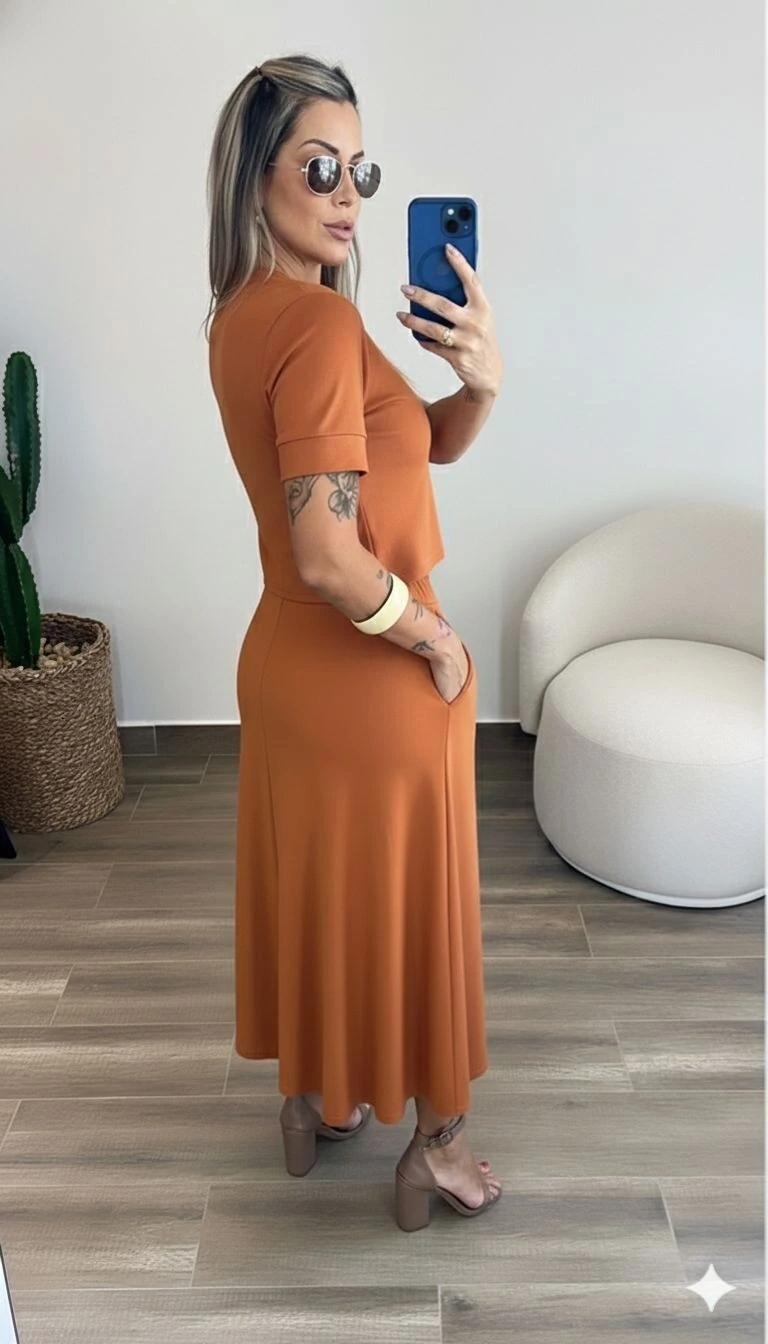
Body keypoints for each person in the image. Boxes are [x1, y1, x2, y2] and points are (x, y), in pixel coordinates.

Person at [205, 53, 503, 1232]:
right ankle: (437, 1147)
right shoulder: (320, 323)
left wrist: (477, 381)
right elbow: (331, 552)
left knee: (327, 902)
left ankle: (314, 1105)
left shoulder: (245, 316)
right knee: (415, 913)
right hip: (368, 678)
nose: (347, 196)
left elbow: (423, 444)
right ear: (256, 178)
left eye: (361, 172)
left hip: (286, 668)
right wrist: (434, 642)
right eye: (319, 167)